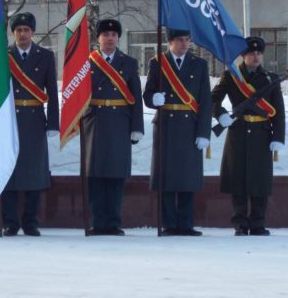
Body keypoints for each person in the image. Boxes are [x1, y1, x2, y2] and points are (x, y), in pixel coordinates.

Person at [211, 36, 285, 236]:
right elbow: (212, 99)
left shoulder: (270, 78)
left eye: (259, 53)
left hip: (262, 134)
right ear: (243, 56)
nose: (256, 57)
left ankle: (258, 223)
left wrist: (278, 137)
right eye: (251, 53)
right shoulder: (232, 76)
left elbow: (278, 111)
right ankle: (240, 223)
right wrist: (221, 114)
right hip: (238, 131)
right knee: (238, 179)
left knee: (260, 180)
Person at [143, 29, 211, 236]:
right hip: (166, 125)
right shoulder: (158, 63)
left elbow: (205, 100)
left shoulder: (199, 64)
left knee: (187, 177)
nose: (184, 44)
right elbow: (147, 93)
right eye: (180, 40)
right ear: (170, 42)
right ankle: (169, 223)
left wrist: (204, 132)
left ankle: (186, 224)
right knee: (166, 177)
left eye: (187, 40)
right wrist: (154, 99)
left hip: (190, 125)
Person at [80, 18, 144, 236]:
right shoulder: (86, 63)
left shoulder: (129, 63)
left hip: (119, 123)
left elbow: (136, 97)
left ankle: (114, 222)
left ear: (118, 38)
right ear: (98, 38)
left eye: (114, 35)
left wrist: (137, 127)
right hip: (94, 122)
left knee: (116, 174)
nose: (110, 38)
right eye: (105, 35)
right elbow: (77, 96)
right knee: (95, 174)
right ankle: (98, 222)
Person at [2, 12, 59, 237]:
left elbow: (52, 91)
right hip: (9, 121)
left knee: (34, 172)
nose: (23, 34)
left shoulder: (45, 56)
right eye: (19, 30)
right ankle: (10, 222)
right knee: (8, 171)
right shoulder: (3, 56)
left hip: (35, 119)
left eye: (26, 30)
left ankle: (30, 222)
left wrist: (53, 122)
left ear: (32, 32)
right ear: (13, 33)